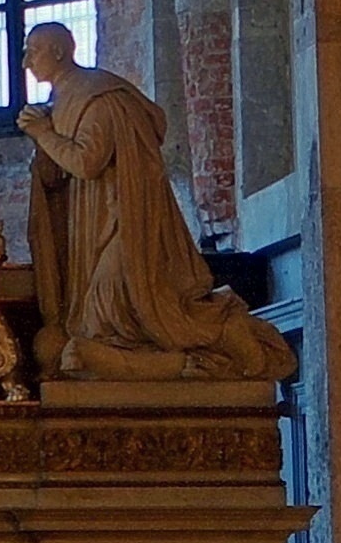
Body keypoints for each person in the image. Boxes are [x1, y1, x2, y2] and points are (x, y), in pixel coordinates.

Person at [17, 24, 292, 380]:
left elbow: (87, 162)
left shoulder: (99, 95)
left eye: (32, 50)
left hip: (123, 221)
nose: (26, 61)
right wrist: (44, 152)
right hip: (90, 226)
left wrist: (44, 134)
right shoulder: (65, 100)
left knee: (117, 310)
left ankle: (223, 329)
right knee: (102, 320)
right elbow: (62, 176)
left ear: (58, 51)